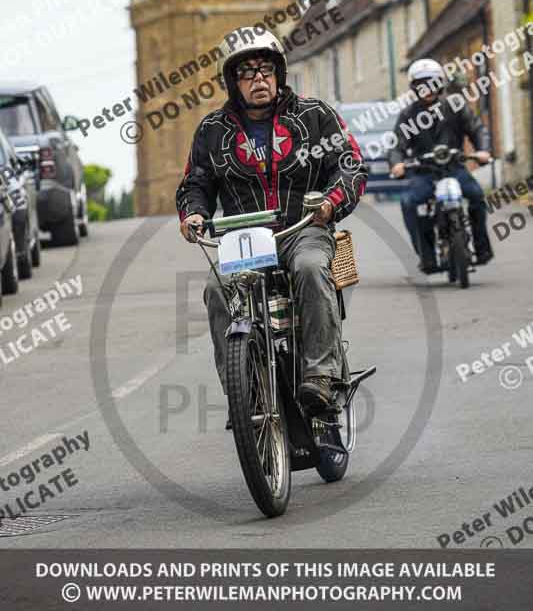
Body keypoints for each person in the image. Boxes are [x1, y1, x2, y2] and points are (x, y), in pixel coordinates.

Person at [177, 28, 367, 411]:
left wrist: (330, 203)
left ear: (279, 73)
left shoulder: (315, 116)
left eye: (265, 69)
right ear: (233, 82)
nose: (258, 79)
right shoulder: (212, 131)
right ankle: (242, 393)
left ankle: (321, 376)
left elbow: (351, 167)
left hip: (304, 229)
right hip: (244, 238)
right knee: (217, 289)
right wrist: (194, 213)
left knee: (312, 269)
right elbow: (194, 183)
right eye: (246, 73)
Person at [389, 58, 493, 270]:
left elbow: (476, 128)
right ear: (414, 87)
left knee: (476, 196)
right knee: (409, 202)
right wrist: (396, 163)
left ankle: (482, 248)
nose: (427, 88)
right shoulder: (407, 115)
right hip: (424, 174)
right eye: (421, 84)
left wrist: (483, 150)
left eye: (432, 82)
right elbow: (396, 145)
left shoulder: (455, 105)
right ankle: (426, 256)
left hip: (454, 169)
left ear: (440, 84)